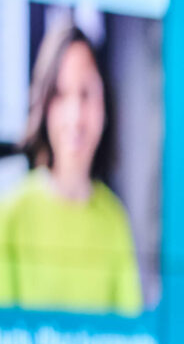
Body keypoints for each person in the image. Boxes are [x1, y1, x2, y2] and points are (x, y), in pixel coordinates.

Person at [0, 23, 142, 314]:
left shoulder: (114, 221)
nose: (75, 116)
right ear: (44, 104)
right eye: (61, 94)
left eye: (86, 93)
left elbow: (131, 337)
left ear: (104, 104)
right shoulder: (10, 215)